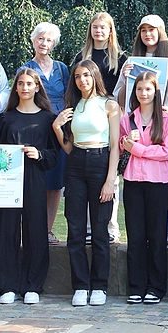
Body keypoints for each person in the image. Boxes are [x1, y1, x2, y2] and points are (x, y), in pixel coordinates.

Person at [53, 60, 121, 307]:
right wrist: (57, 127)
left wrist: (110, 180)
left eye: (86, 75)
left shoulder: (109, 104)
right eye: (78, 76)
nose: (82, 80)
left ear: (95, 77)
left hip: (101, 161)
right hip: (76, 165)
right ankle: (80, 285)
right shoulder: (74, 105)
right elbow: (70, 148)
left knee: (100, 229)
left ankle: (99, 286)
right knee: (76, 228)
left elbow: (115, 146)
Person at [0, 68, 59, 305]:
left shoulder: (47, 119)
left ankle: (33, 285)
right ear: (16, 87)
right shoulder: (6, 118)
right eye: (20, 83)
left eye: (29, 83)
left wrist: (39, 154)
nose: (24, 87)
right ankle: (8, 286)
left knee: (36, 229)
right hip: (8, 179)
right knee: (8, 230)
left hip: (34, 176)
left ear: (37, 87)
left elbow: (54, 155)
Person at [119, 72, 168, 304]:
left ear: (156, 92)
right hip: (133, 181)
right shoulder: (127, 119)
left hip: (158, 183)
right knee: (136, 235)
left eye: (148, 89)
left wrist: (137, 149)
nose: (144, 93)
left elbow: (167, 151)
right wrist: (125, 143)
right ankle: (136, 286)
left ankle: (156, 287)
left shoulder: (166, 119)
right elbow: (121, 148)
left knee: (157, 235)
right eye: (139, 89)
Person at [75, 12, 127, 245]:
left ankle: (111, 227)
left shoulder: (121, 58)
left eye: (103, 27)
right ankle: (89, 228)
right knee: (86, 182)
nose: (98, 31)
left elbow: (128, 90)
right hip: (87, 114)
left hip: (110, 112)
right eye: (95, 27)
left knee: (110, 175)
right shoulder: (82, 56)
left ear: (110, 31)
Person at [19, 22, 70, 245]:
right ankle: (32, 230)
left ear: (54, 44)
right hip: (36, 127)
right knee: (35, 180)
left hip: (59, 129)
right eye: (40, 38)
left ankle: (47, 230)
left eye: (49, 40)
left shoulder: (62, 68)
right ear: (33, 40)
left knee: (55, 182)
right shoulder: (25, 69)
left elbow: (70, 97)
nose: (44, 43)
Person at [115, 14, 168, 110]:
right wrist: (126, 80)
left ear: (160, 32)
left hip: (166, 118)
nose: (147, 34)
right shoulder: (130, 63)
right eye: (143, 30)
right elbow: (120, 102)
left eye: (151, 29)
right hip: (137, 118)